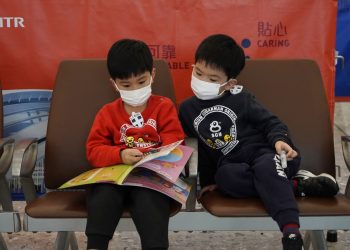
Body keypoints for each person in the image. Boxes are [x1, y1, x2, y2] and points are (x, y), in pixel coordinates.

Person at [178, 34, 339, 250]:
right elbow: (202, 149)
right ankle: (297, 186)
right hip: (234, 165)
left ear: (229, 83)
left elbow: (272, 124)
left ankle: (291, 232)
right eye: (198, 73)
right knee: (225, 178)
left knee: (266, 168)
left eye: (213, 79)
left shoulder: (241, 99)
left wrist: (280, 141)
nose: (202, 81)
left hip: (267, 154)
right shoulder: (188, 110)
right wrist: (207, 182)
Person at [85, 38, 185, 250]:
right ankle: (96, 245)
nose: (135, 89)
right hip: (116, 177)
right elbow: (94, 151)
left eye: (141, 81)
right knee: (103, 196)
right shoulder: (107, 113)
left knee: (150, 200)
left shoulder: (163, 107)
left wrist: (154, 154)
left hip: (151, 177)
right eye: (126, 85)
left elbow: (175, 140)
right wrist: (120, 155)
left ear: (153, 75)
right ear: (114, 84)